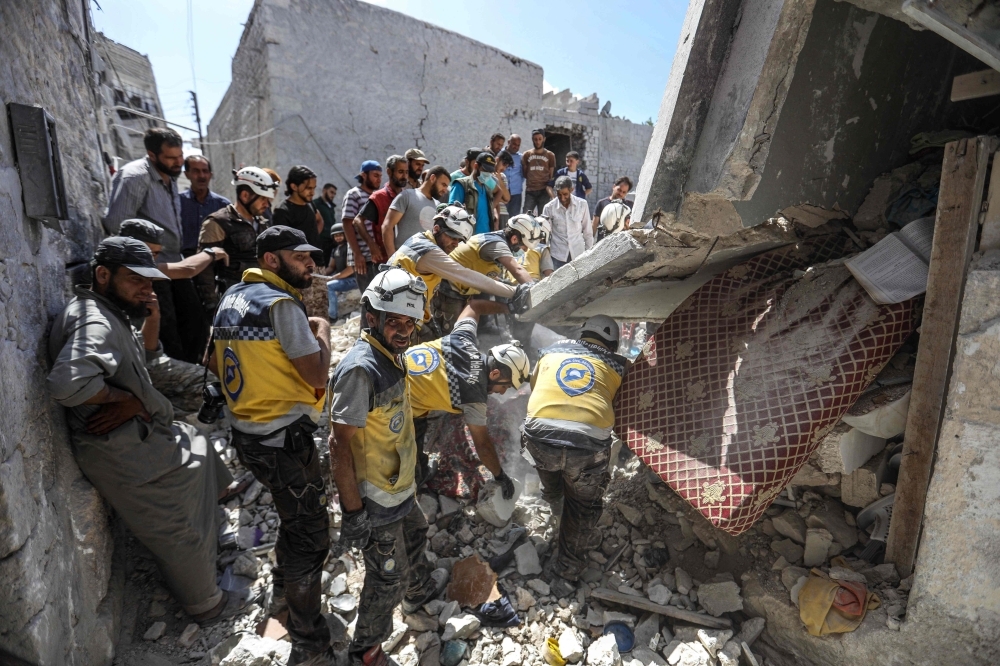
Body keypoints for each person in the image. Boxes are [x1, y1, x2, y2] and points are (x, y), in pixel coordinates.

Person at [47, 237, 251, 624]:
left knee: (196, 439)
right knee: (177, 527)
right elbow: (66, 384)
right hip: (119, 449)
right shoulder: (95, 321)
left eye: (150, 280)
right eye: (135, 279)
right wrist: (121, 399)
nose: (146, 288)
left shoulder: (106, 310)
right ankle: (206, 604)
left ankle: (217, 509)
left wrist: (135, 399)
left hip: (136, 433)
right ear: (103, 275)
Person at [212, 226, 332, 666]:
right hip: (284, 441)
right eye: (299, 256)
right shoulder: (281, 305)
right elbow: (317, 375)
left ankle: (282, 595)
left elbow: (212, 363)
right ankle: (309, 641)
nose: (310, 263)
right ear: (270, 260)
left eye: (310, 256)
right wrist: (322, 329)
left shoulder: (231, 297)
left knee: (293, 516)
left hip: (249, 436)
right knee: (311, 537)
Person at [328, 268, 444, 666]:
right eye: (394, 321)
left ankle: (417, 594)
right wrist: (353, 513)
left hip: (399, 487)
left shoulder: (391, 356)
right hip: (376, 500)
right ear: (371, 317)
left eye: (410, 322)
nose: (404, 331)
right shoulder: (361, 369)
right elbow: (338, 444)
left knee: (417, 533)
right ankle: (365, 651)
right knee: (386, 577)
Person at [521, 315, 626, 584]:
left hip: (539, 441)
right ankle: (565, 573)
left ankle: (557, 507)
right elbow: (622, 408)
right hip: (586, 448)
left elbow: (536, 387)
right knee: (582, 507)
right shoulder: (620, 365)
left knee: (552, 476)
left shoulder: (549, 350)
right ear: (613, 344)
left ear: (582, 334)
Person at [406, 300, 530, 488]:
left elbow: (474, 306)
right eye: (505, 386)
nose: (502, 392)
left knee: (420, 418)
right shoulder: (474, 397)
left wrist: (509, 307)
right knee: (405, 470)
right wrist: (500, 476)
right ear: (495, 373)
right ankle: (413, 479)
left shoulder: (463, 339)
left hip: (393, 366)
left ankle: (420, 466)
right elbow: (483, 445)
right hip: (393, 401)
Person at [103, 127, 198, 362]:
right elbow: (116, 224)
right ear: (152, 155)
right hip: (150, 272)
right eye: (171, 157)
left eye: (180, 156)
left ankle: (195, 375)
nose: (178, 162)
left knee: (194, 326)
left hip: (173, 264)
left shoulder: (169, 176)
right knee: (167, 335)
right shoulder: (135, 176)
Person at [119, 219, 229, 413]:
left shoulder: (139, 269)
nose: (150, 259)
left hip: (141, 357)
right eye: (146, 252)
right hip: (125, 367)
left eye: (155, 254)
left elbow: (148, 349)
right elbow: (187, 269)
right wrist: (210, 253)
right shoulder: (126, 270)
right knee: (210, 386)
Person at [387, 204, 529, 337]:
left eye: (459, 240)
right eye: (452, 236)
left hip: (399, 310)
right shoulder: (429, 252)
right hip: (396, 317)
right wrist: (515, 292)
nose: (455, 244)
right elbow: (468, 276)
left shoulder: (421, 239)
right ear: (436, 229)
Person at [198, 166, 278, 306]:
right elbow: (205, 270)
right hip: (233, 299)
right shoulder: (217, 223)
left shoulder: (263, 224)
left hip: (261, 296)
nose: (267, 204)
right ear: (245, 196)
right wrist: (212, 305)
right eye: (263, 199)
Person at [381, 165, 451, 256]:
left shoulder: (438, 206)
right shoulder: (407, 196)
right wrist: (392, 258)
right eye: (443, 185)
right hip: (403, 259)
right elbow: (387, 226)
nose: (445, 190)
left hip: (427, 261)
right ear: (433, 178)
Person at [356, 155, 407, 269]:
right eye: (400, 172)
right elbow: (357, 221)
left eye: (406, 172)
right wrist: (372, 245)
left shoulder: (407, 196)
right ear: (389, 172)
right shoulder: (379, 197)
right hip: (384, 262)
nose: (404, 176)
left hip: (406, 259)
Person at [342, 161, 383, 294]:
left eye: (380, 176)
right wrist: (357, 254)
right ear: (364, 175)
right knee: (369, 298)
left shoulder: (377, 196)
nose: (379, 179)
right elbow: (348, 224)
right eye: (375, 175)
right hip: (364, 259)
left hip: (378, 257)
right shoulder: (354, 194)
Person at [180, 155, 231, 255]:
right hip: (185, 259)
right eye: (196, 171)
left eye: (205, 171)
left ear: (210, 175)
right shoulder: (178, 202)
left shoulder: (223, 204)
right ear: (187, 174)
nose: (202, 176)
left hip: (216, 258)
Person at [273, 166, 324, 264]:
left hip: (318, 263)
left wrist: (313, 236)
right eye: (308, 188)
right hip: (299, 266)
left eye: (314, 188)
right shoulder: (282, 211)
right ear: (294, 187)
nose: (312, 192)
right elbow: (282, 246)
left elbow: (319, 220)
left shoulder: (310, 203)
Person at [542, 175, 594, 269]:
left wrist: (589, 254)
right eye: (559, 195)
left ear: (571, 190)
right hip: (557, 255)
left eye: (565, 194)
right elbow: (546, 236)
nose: (562, 198)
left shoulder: (582, 204)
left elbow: (588, 232)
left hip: (578, 254)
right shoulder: (549, 208)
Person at [449, 152, 498, 235]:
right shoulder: (462, 185)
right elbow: (452, 213)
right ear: (476, 166)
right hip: (468, 237)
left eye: (490, 171)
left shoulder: (487, 190)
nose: (488, 174)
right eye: (485, 170)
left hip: (486, 237)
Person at [324, 223, 357, 322]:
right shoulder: (335, 249)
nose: (338, 237)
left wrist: (334, 277)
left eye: (340, 235)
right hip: (342, 279)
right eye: (336, 236)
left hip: (352, 279)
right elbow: (331, 267)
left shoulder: (349, 248)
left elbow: (350, 269)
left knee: (329, 286)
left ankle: (332, 317)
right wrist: (321, 275)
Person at [521, 129, 556, 215]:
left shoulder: (550, 155)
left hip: (544, 191)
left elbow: (551, 174)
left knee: (543, 217)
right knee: (525, 216)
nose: (537, 141)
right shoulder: (526, 155)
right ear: (532, 139)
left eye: (540, 139)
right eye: (535, 139)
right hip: (530, 191)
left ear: (544, 139)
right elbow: (525, 173)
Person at [593, 176, 633, 241]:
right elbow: (594, 225)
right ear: (614, 187)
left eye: (624, 192)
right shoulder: (601, 203)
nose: (621, 193)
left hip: (621, 243)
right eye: (619, 190)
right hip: (602, 242)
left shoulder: (629, 206)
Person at [313, 183, 338, 265]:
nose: (333, 195)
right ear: (324, 190)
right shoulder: (315, 204)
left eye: (334, 193)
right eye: (331, 192)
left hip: (330, 242)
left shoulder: (331, 206)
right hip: (320, 241)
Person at [493, 151, 514, 231]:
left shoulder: (502, 177)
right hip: (491, 213)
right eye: (503, 165)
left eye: (506, 167)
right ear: (497, 160)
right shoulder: (487, 175)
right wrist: (500, 199)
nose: (504, 169)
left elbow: (507, 198)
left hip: (503, 214)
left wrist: (499, 179)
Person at [504, 134, 524, 217]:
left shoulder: (521, 158)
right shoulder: (500, 154)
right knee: (502, 217)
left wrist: (516, 184)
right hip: (502, 193)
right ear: (509, 142)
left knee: (514, 218)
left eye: (518, 145)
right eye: (514, 144)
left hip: (516, 194)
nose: (516, 147)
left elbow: (523, 174)